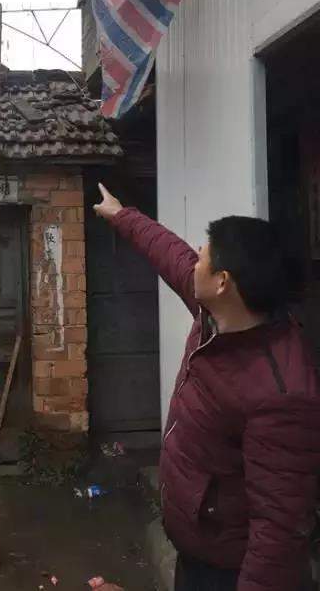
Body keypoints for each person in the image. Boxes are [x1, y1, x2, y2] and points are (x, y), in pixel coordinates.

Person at [93, 184, 320, 591]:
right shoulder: (215, 315)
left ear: (223, 282)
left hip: (227, 572)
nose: (195, 255)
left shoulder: (283, 395)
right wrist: (121, 215)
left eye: (205, 254)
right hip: (197, 549)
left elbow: (279, 534)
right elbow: (170, 254)